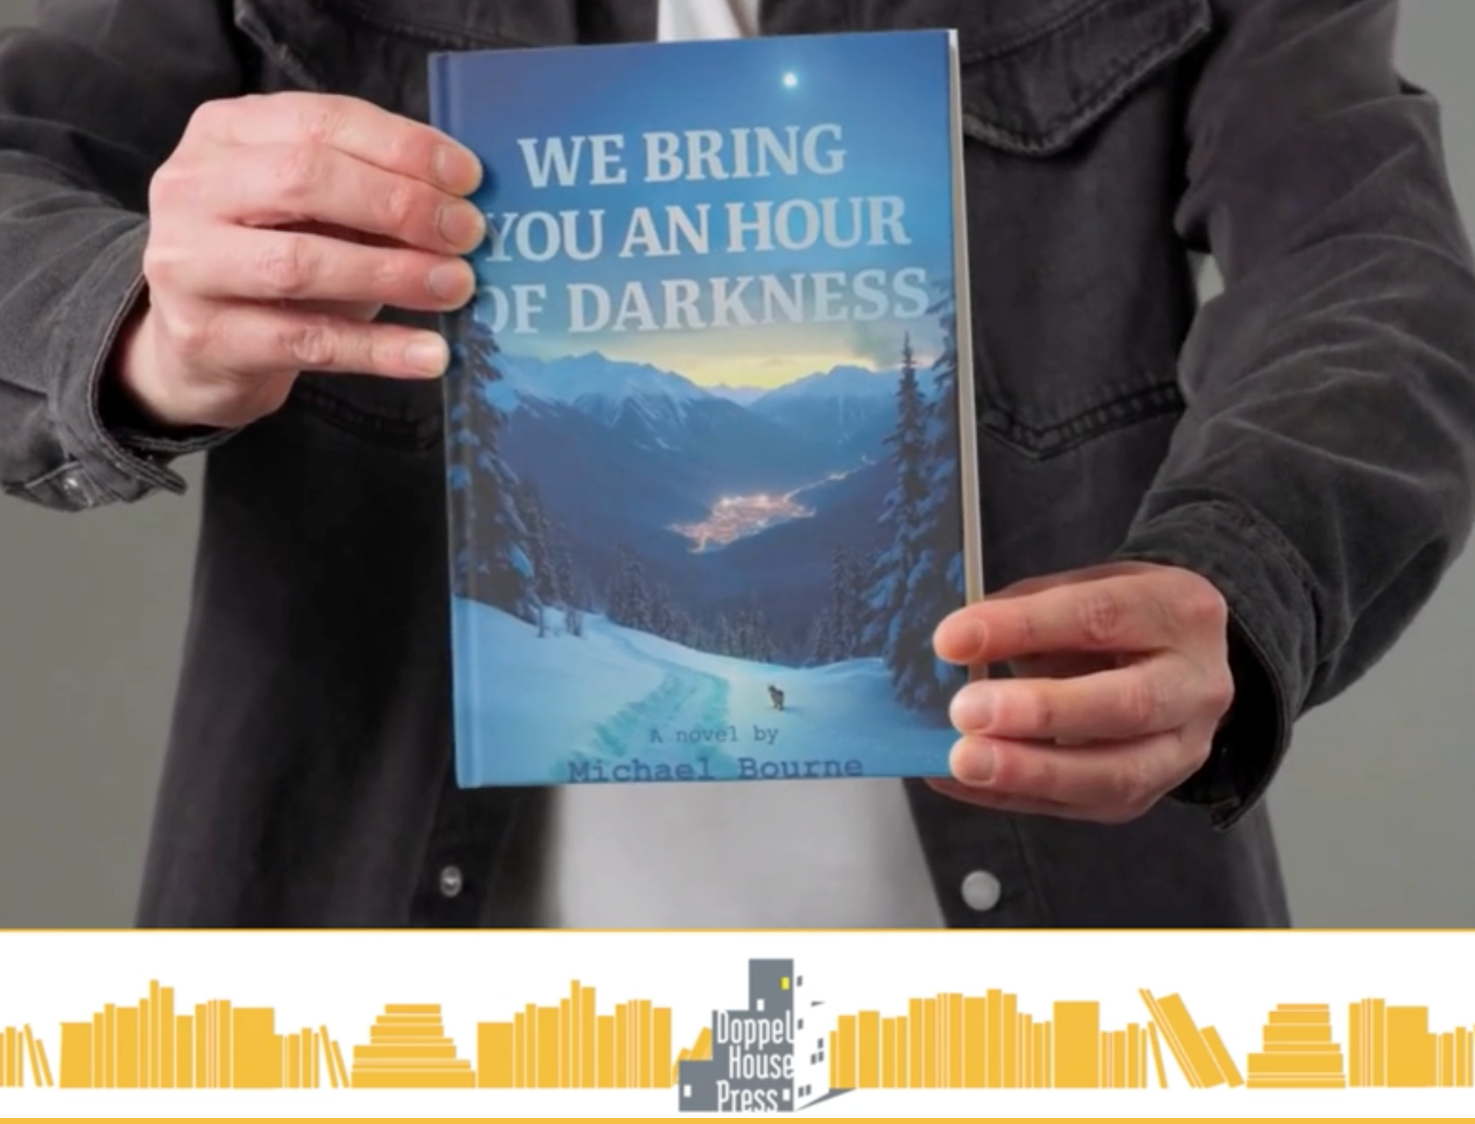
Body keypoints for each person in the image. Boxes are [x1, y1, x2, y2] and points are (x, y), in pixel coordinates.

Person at [1, 0, 1472, 931]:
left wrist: (1238, 571)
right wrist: (142, 317)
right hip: (392, 1013)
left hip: (1055, 1005)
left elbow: (1367, 262)